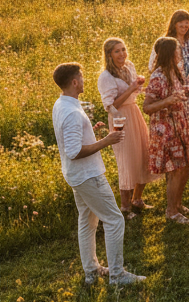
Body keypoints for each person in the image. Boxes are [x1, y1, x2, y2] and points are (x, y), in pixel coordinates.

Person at [51, 62, 145, 286]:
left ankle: (92, 271)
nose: (84, 80)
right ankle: (117, 275)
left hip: (76, 175)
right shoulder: (71, 112)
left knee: (87, 220)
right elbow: (74, 152)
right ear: (75, 82)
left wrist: (91, 134)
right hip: (88, 176)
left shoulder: (61, 104)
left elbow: (71, 140)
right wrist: (106, 141)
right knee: (114, 220)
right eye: (81, 77)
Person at [143, 36, 189, 223]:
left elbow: (173, 93)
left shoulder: (173, 71)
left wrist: (186, 89)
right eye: (177, 50)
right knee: (175, 169)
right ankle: (171, 211)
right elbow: (147, 107)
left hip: (179, 123)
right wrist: (168, 100)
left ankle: (177, 204)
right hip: (166, 128)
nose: (180, 53)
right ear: (170, 53)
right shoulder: (158, 76)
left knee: (184, 165)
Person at [97, 38, 157, 217]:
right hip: (119, 118)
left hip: (134, 112)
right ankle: (125, 207)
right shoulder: (106, 77)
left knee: (143, 153)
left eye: (123, 49)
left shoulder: (129, 66)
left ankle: (137, 199)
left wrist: (141, 87)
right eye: (117, 51)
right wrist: (131, 88)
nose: (122, 54)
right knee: (126, 160)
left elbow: (135, 92)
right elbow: (111, 106)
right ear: (109, 54)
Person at [152, 9, 189, 153]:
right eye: (181, 25)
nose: (185, 27)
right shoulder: (167, 41)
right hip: (176, 85)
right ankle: (185, 148)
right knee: (183, 117)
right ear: (174, 25)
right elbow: (153, 65)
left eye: (187, 24)